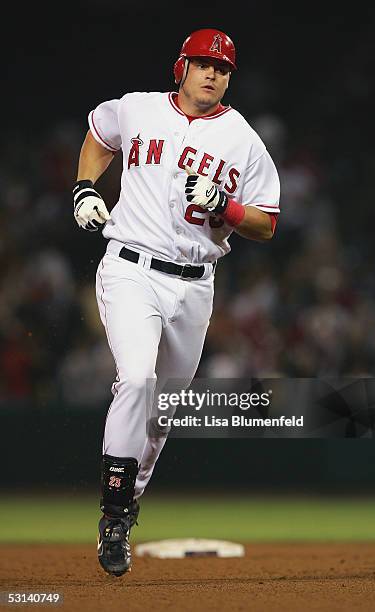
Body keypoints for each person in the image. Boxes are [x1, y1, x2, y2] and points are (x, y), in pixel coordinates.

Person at [73, 28, 280, 577]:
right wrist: (86, 188)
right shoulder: (138, 109)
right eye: (202, 63)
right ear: (180, 67)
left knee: (162, 411)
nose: (212, 73)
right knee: (137, 380)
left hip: (195, 283)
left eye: (223, 67)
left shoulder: (243, 139)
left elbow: (268, 222)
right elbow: (99, 135)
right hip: (130, 266)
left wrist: (228, 209)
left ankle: (127, 501)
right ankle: (113, 515)